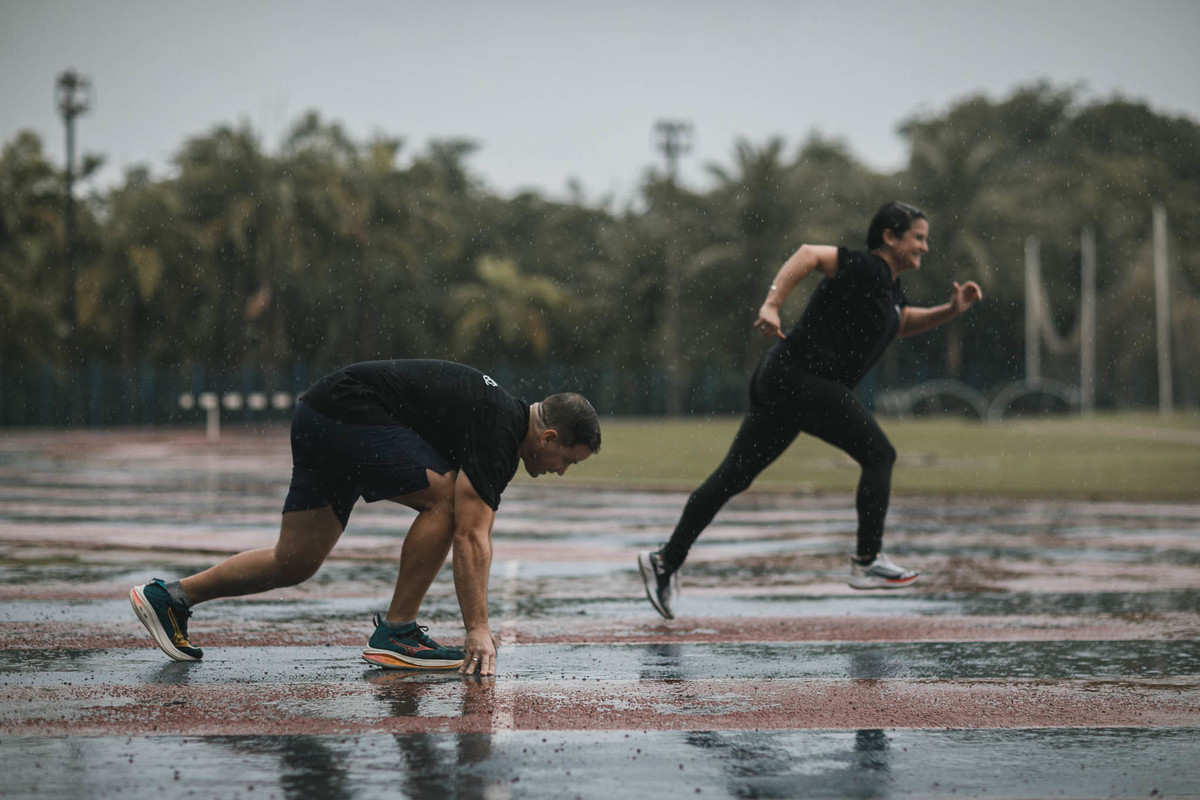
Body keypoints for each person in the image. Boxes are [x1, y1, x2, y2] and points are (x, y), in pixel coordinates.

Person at [131, 359, 601, 675]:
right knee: (445, 501)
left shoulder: (501, 420)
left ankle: (172, 597)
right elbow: (471, 536)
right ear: (550, 437)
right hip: (344, 414)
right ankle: (396, 631)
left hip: (321, 415)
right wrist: (477, 628)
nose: (560, 471)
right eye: (568, 461)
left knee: (294, 561)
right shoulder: (501, 433)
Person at [638, 202, 982, 618]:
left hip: (785, 383)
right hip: (799, 379)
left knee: (733, 477)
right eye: (918, 237)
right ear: (890, 237)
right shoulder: (865, 266)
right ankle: (866, 560)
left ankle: (664, 561)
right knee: (879, 455)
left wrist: (951, 310)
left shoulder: (889, 289)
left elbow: (902, 321)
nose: (925, 247)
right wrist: (771, 304)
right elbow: (808, 255)